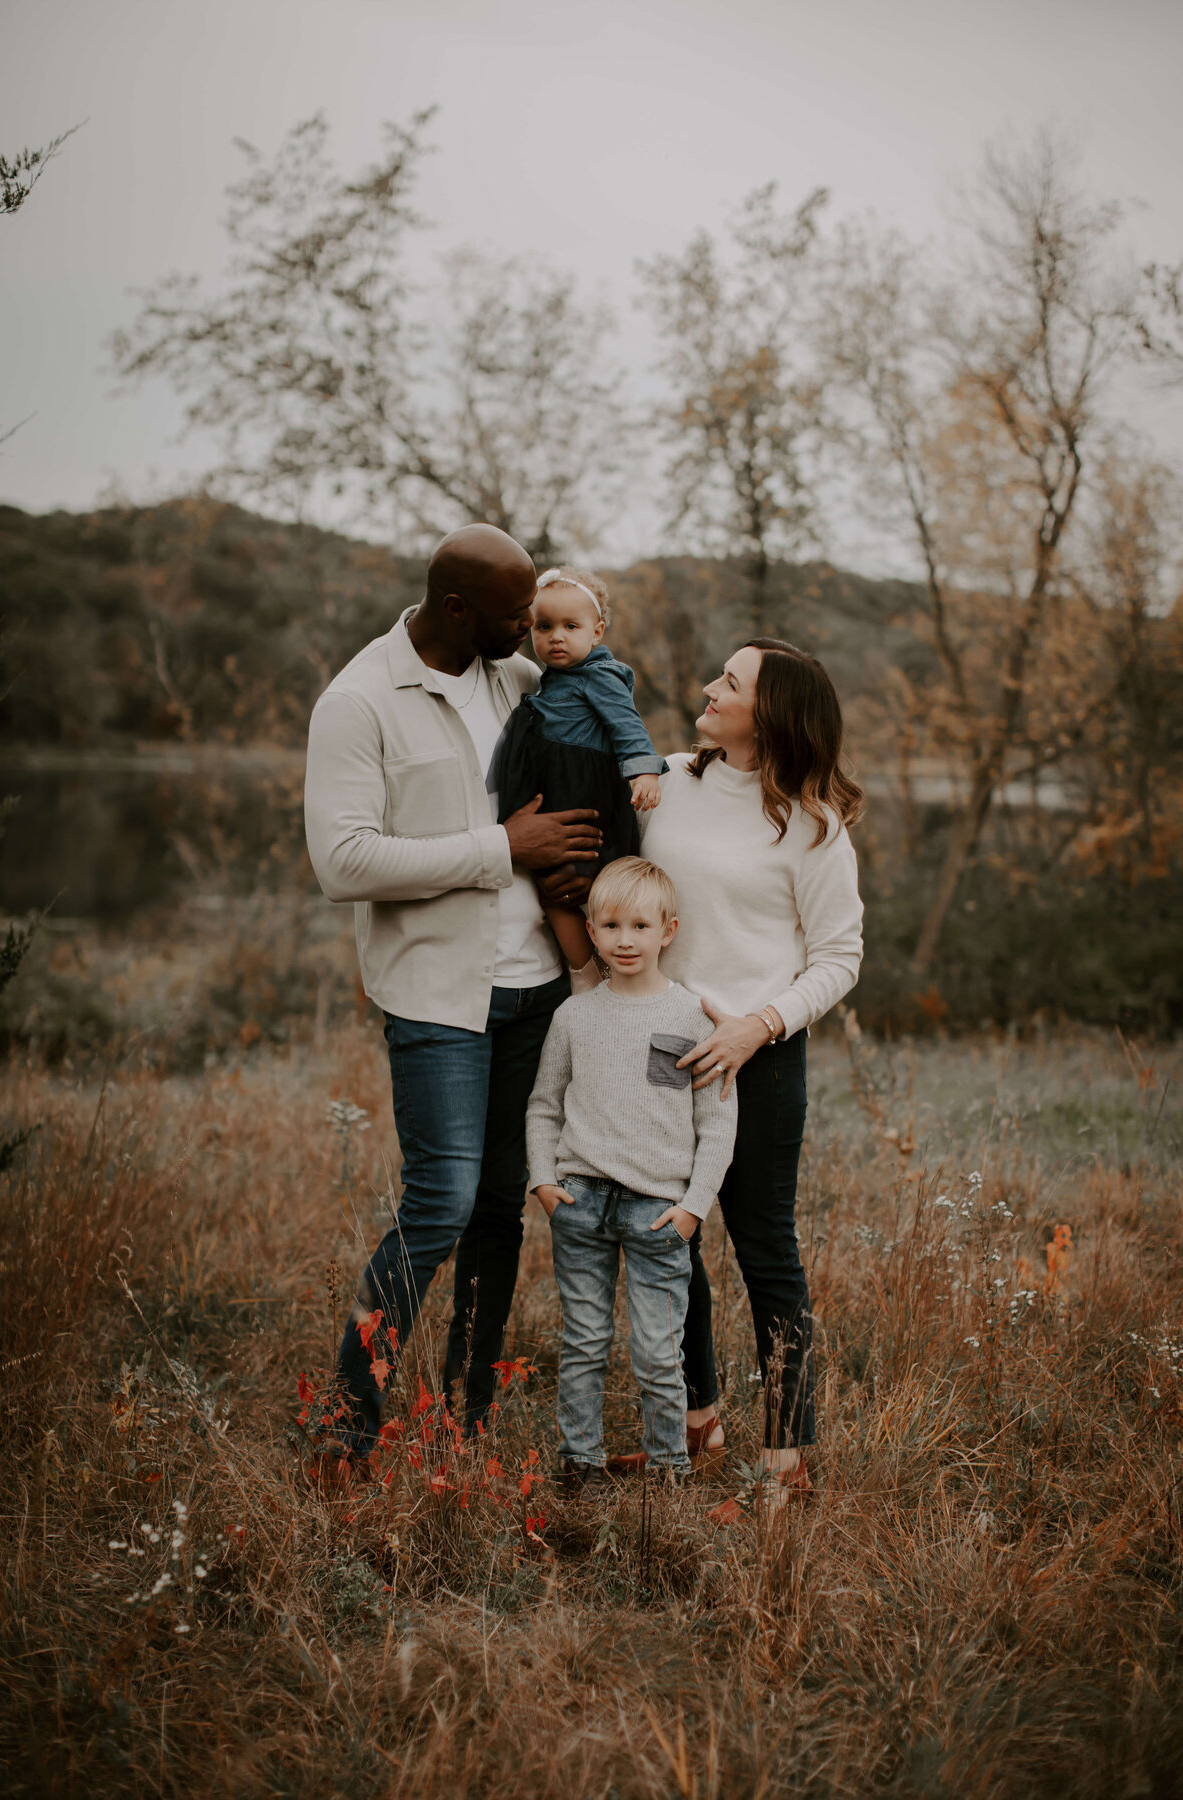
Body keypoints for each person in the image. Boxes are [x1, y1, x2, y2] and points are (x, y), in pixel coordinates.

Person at [303, 523, 604, 1458]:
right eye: (516, 612)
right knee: (439, 1201)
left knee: (500, 1205)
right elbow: (342, 860)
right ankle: (347, 1418)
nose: (532, 626)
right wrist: (500, 850)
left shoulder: (515, 678)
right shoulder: (358, 702)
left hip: (536, 993)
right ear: (455, 608)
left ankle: (468, 1415)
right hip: (437, 998)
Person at [636, 638, 864, 1516]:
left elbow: (839, 959)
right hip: (661, 1049)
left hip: (760, 1058)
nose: (707, 687)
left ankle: (787, 1464)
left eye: (728, 682)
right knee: (668, 1243)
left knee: (765, 1250)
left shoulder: (813, 827)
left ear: (768, 715)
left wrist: (757, 1025)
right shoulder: (663, 780)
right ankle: (697, 1424)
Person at [526, 857, 737, 1481]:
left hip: (658, 1212)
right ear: (590, 931)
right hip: (580, 1201)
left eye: (640, 926)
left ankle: (669, 1470)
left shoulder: (694, 1018)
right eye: (611, 925)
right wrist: (543, 1179)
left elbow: (717, 1124)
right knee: (585, 1342)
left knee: (655, 1351)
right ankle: (580, 1465)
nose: (625, 939)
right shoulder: (574, 1017)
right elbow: (543, 1105)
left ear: (668, 931)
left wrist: (694, 1207)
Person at [493, 566, 668, 981]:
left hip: (585, 798)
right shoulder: (550, 680)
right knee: (554, 894)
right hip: (557, 796)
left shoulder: (600, 676)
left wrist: (644, 772)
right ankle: (588, 973)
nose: (556, 636)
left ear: (597, 632)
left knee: (592, 892)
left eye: (571, 626)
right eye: (545, 626)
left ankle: (599, 975)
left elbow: (627, 724)